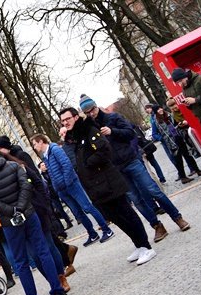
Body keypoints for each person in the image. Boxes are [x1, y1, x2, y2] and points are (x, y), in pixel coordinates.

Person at [0, 141, 67, 295]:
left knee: (21, 260)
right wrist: (21, 207)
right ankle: (58, 291)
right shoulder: (13, 166)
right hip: (29, 214)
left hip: (9, 221)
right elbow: (26, 186)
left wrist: (10, 211)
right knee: (43, 251)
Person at [80, 95, 191, 241]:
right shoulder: (89, 128)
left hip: (131, 160)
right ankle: (157, 226)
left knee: (153, 190)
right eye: (87, 112)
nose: (91, 114)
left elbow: (130, 133)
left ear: (96, 106)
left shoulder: (113, 117)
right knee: (137, 200)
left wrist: (113, 131)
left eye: (92, 110)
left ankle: (177, 217)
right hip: (116, 168)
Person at [59, 107, 157, 266]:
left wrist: (87, 163)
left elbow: (104, 150)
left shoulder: (89, 130)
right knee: (115, 217)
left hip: (109, 182)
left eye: (68, 119)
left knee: (127, 213)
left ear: (76, 117)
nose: (65, 122)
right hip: (96, 188)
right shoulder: (74, 138)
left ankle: (146, 246)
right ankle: (138, 245)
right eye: (63, 121)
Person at [31, 133, 115, 248]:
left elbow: (66, 165)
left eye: (35, 144)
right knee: (78, 213)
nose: (34, 147)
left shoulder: (55, 149)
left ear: (41, 141)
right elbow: (51, 173)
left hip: (71, 185)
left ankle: (106, 229)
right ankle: (92, 233)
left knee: (87, 207)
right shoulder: (45, 156)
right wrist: (57, 188)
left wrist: (67, 182)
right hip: (61, 190)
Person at [166, 97, 201, 176]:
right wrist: (179, 125)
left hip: (195, 130)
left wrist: (188, 122)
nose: (173, 107)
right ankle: (200, 167)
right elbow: (173, 127)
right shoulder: (172, 116)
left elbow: (194, 117)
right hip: (186, 135)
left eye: (174, 104)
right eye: (171, 106)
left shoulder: (184, 108)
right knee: (196, 150)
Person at [172, 67, 201, 140]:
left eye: (181, 80)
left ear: (185, 76)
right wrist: (189, 105)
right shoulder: (184, 89)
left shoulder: (200, 79)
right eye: (178, 82)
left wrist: (196, 100)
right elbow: (193, 105)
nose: (180, 83)